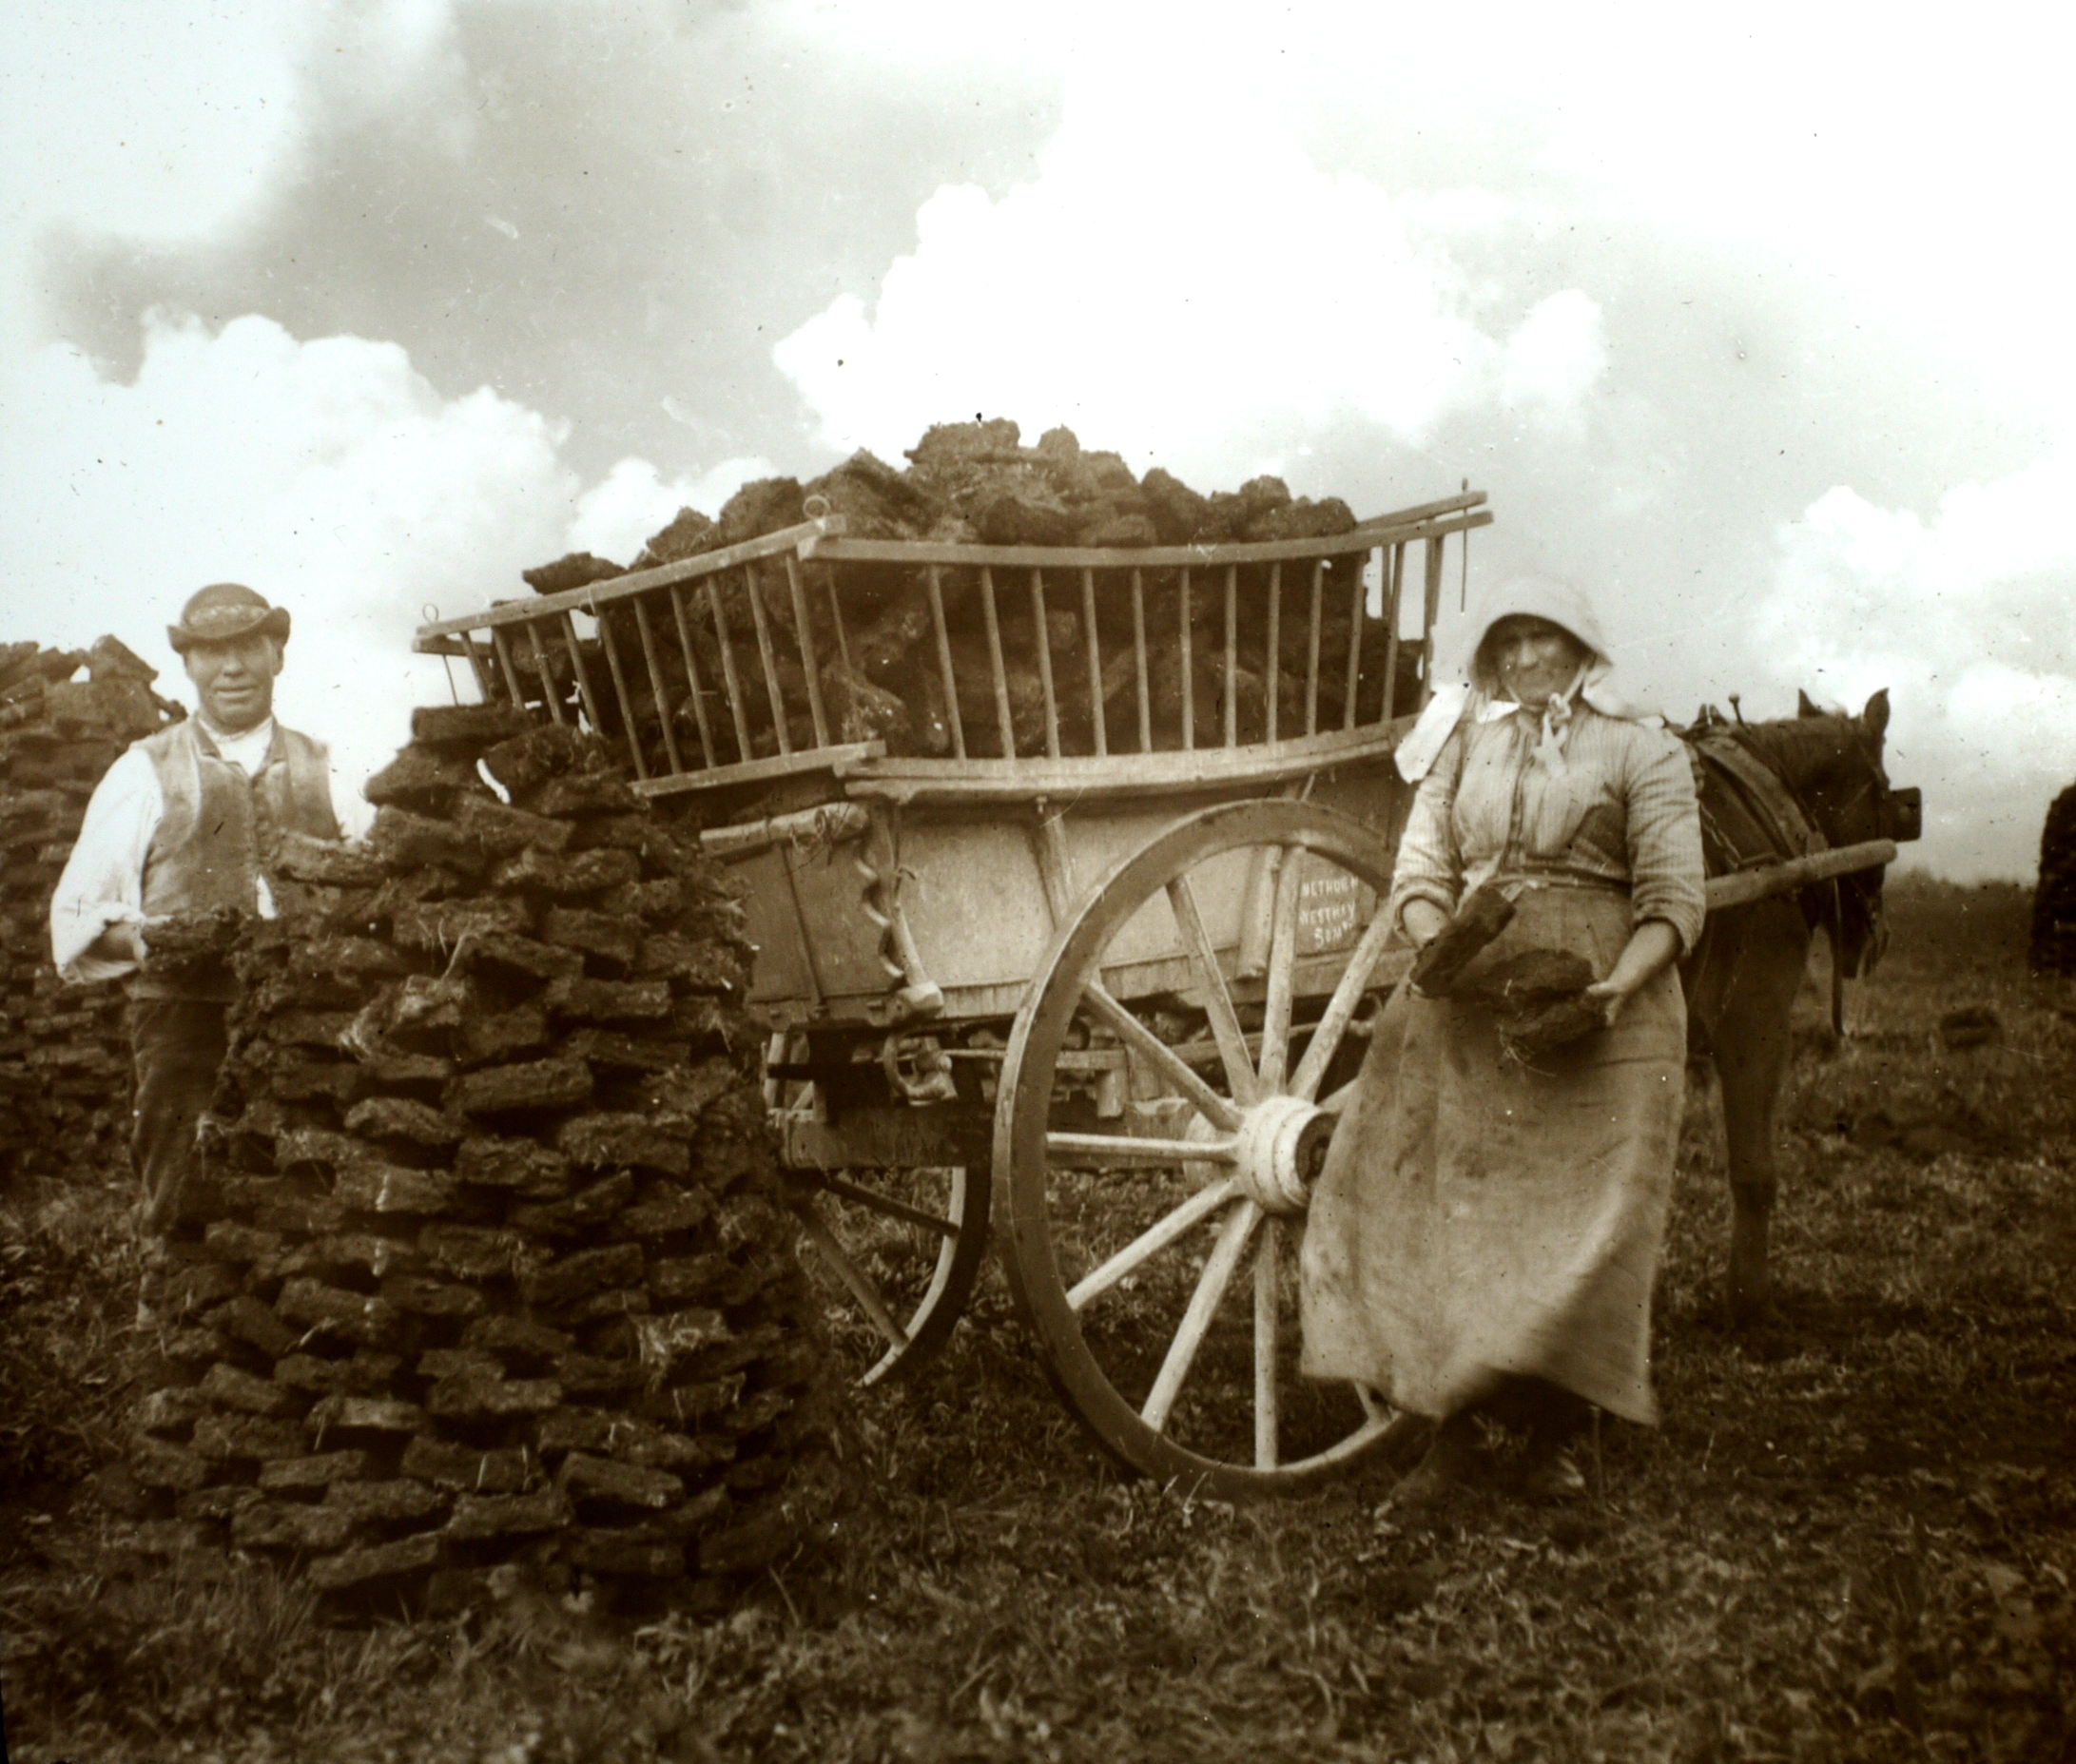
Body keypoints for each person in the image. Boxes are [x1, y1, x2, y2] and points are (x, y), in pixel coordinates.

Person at [1299, 576, 1706, 1503]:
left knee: (1583, 1225)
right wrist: (1437, 944)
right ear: (1487, 657)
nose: (1525, 658)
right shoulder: (1460, 742)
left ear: (1580, 646)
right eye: (1507, 642)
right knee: (1452, 1208)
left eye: (1543, 639)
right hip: (1466, 998)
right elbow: (1421, 860)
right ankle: (1455, 1428)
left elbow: (1674, 897)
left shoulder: (1642, 748)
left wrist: (1614, 986)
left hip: (1604, 1010)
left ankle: (1554, 1433)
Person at [49, 584, 344, 1235]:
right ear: (187, 664)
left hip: (309, 1008)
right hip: (185, 1016)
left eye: (247, 646)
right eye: (211, 651)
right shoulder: (143, 769)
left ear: (278, 655)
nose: (231, 667)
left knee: (310, 1190)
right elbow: (76, 913)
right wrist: (149, 941)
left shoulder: (327, 764)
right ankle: (171, 1315)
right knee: (182, 1188)